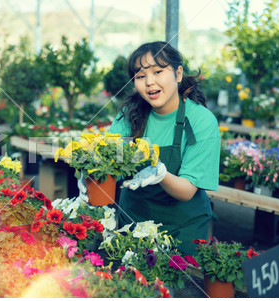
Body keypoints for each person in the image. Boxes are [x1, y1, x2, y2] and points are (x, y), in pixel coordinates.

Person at [80, 41, 220, 255]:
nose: (149, 82)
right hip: (133, 222)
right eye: (140, 76)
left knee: (182, 285)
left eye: (158, 71)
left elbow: (187, 191)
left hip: (182, 228)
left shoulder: (201, 120)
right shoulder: (130, 114)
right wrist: (91, 175)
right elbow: (110, 158)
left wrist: (161, 173)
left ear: (178, 73)